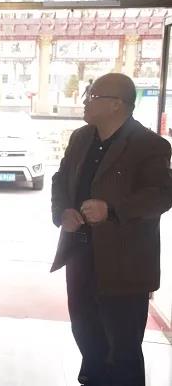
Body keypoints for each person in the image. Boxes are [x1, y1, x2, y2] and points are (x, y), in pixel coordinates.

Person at [51, 73, 172, 386]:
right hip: (80, 254)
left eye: (92, 96)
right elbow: (60, 180)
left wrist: (112, 210)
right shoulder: (81, 138)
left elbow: (161, 195)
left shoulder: (149, 145)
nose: (85, 101)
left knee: (123, 346)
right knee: (84, 331)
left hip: (124, 264)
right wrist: (63, 212)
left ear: (116, 104)